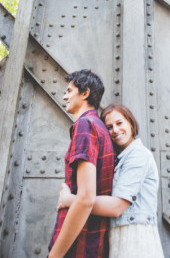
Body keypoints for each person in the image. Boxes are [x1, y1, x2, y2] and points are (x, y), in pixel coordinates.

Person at [58, 104, 164, 258]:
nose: (115, 130)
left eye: (119, 123)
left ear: (131, 123)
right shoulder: (118, 160)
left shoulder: (138, 155)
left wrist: (70, 200)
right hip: (119, 238)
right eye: (109, 127)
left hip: (136, 240)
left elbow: (116, 207)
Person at [48, 70, 115, 258]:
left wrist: (54, 255)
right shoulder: (99, 126)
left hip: (79, 245)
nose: (64, 96)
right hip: (91, 243)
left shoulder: (85, 125)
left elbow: (85, 198)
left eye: (69, 91)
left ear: (85, 93)